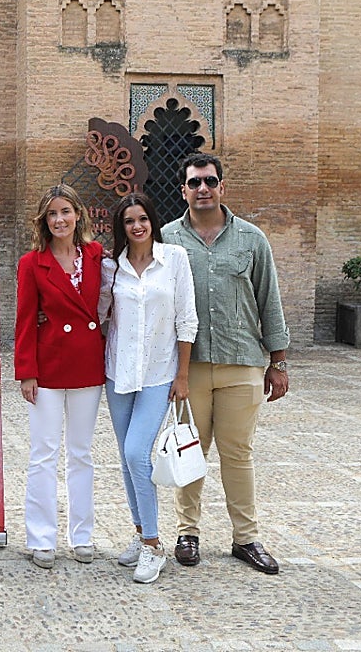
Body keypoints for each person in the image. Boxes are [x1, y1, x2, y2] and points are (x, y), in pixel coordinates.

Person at [162, 152, 290, 574]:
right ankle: (187, 533)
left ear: (222, 187)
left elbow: (269, 301)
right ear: (183, 190)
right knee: (190, 451)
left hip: (241, 363)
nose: (203, 189)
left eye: (210, 182)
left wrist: (279, 362)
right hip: (190, 366)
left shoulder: (251, 240)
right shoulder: (167, 239)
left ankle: (246, 538)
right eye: (195, 182)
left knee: (238, 454)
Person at [99, 192, 197, 584]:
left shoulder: (174, 259)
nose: (137, 226)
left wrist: (183, 376)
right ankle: (140, 535)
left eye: (142, 219)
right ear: (121, 228)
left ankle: (154, 545)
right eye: (129, 221)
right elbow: (101, 314)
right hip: (118, 373)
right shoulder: (113, 268)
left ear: (152, 221)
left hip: (159, 373)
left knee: (138, 452)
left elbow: (186, 318)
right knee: (126, 457)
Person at [14, 184, 106, 569]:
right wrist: (26, 372)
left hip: (88, 365)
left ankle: (82, 535)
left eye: (65, 211)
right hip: (47, 369)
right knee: (44, 454)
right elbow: (24, 321)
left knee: (82, 454)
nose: (59, 220)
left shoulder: (98, 255)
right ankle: (41, 538)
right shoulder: (32, 263)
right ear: (44, 221)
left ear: (78, 214)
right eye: (52, 214)